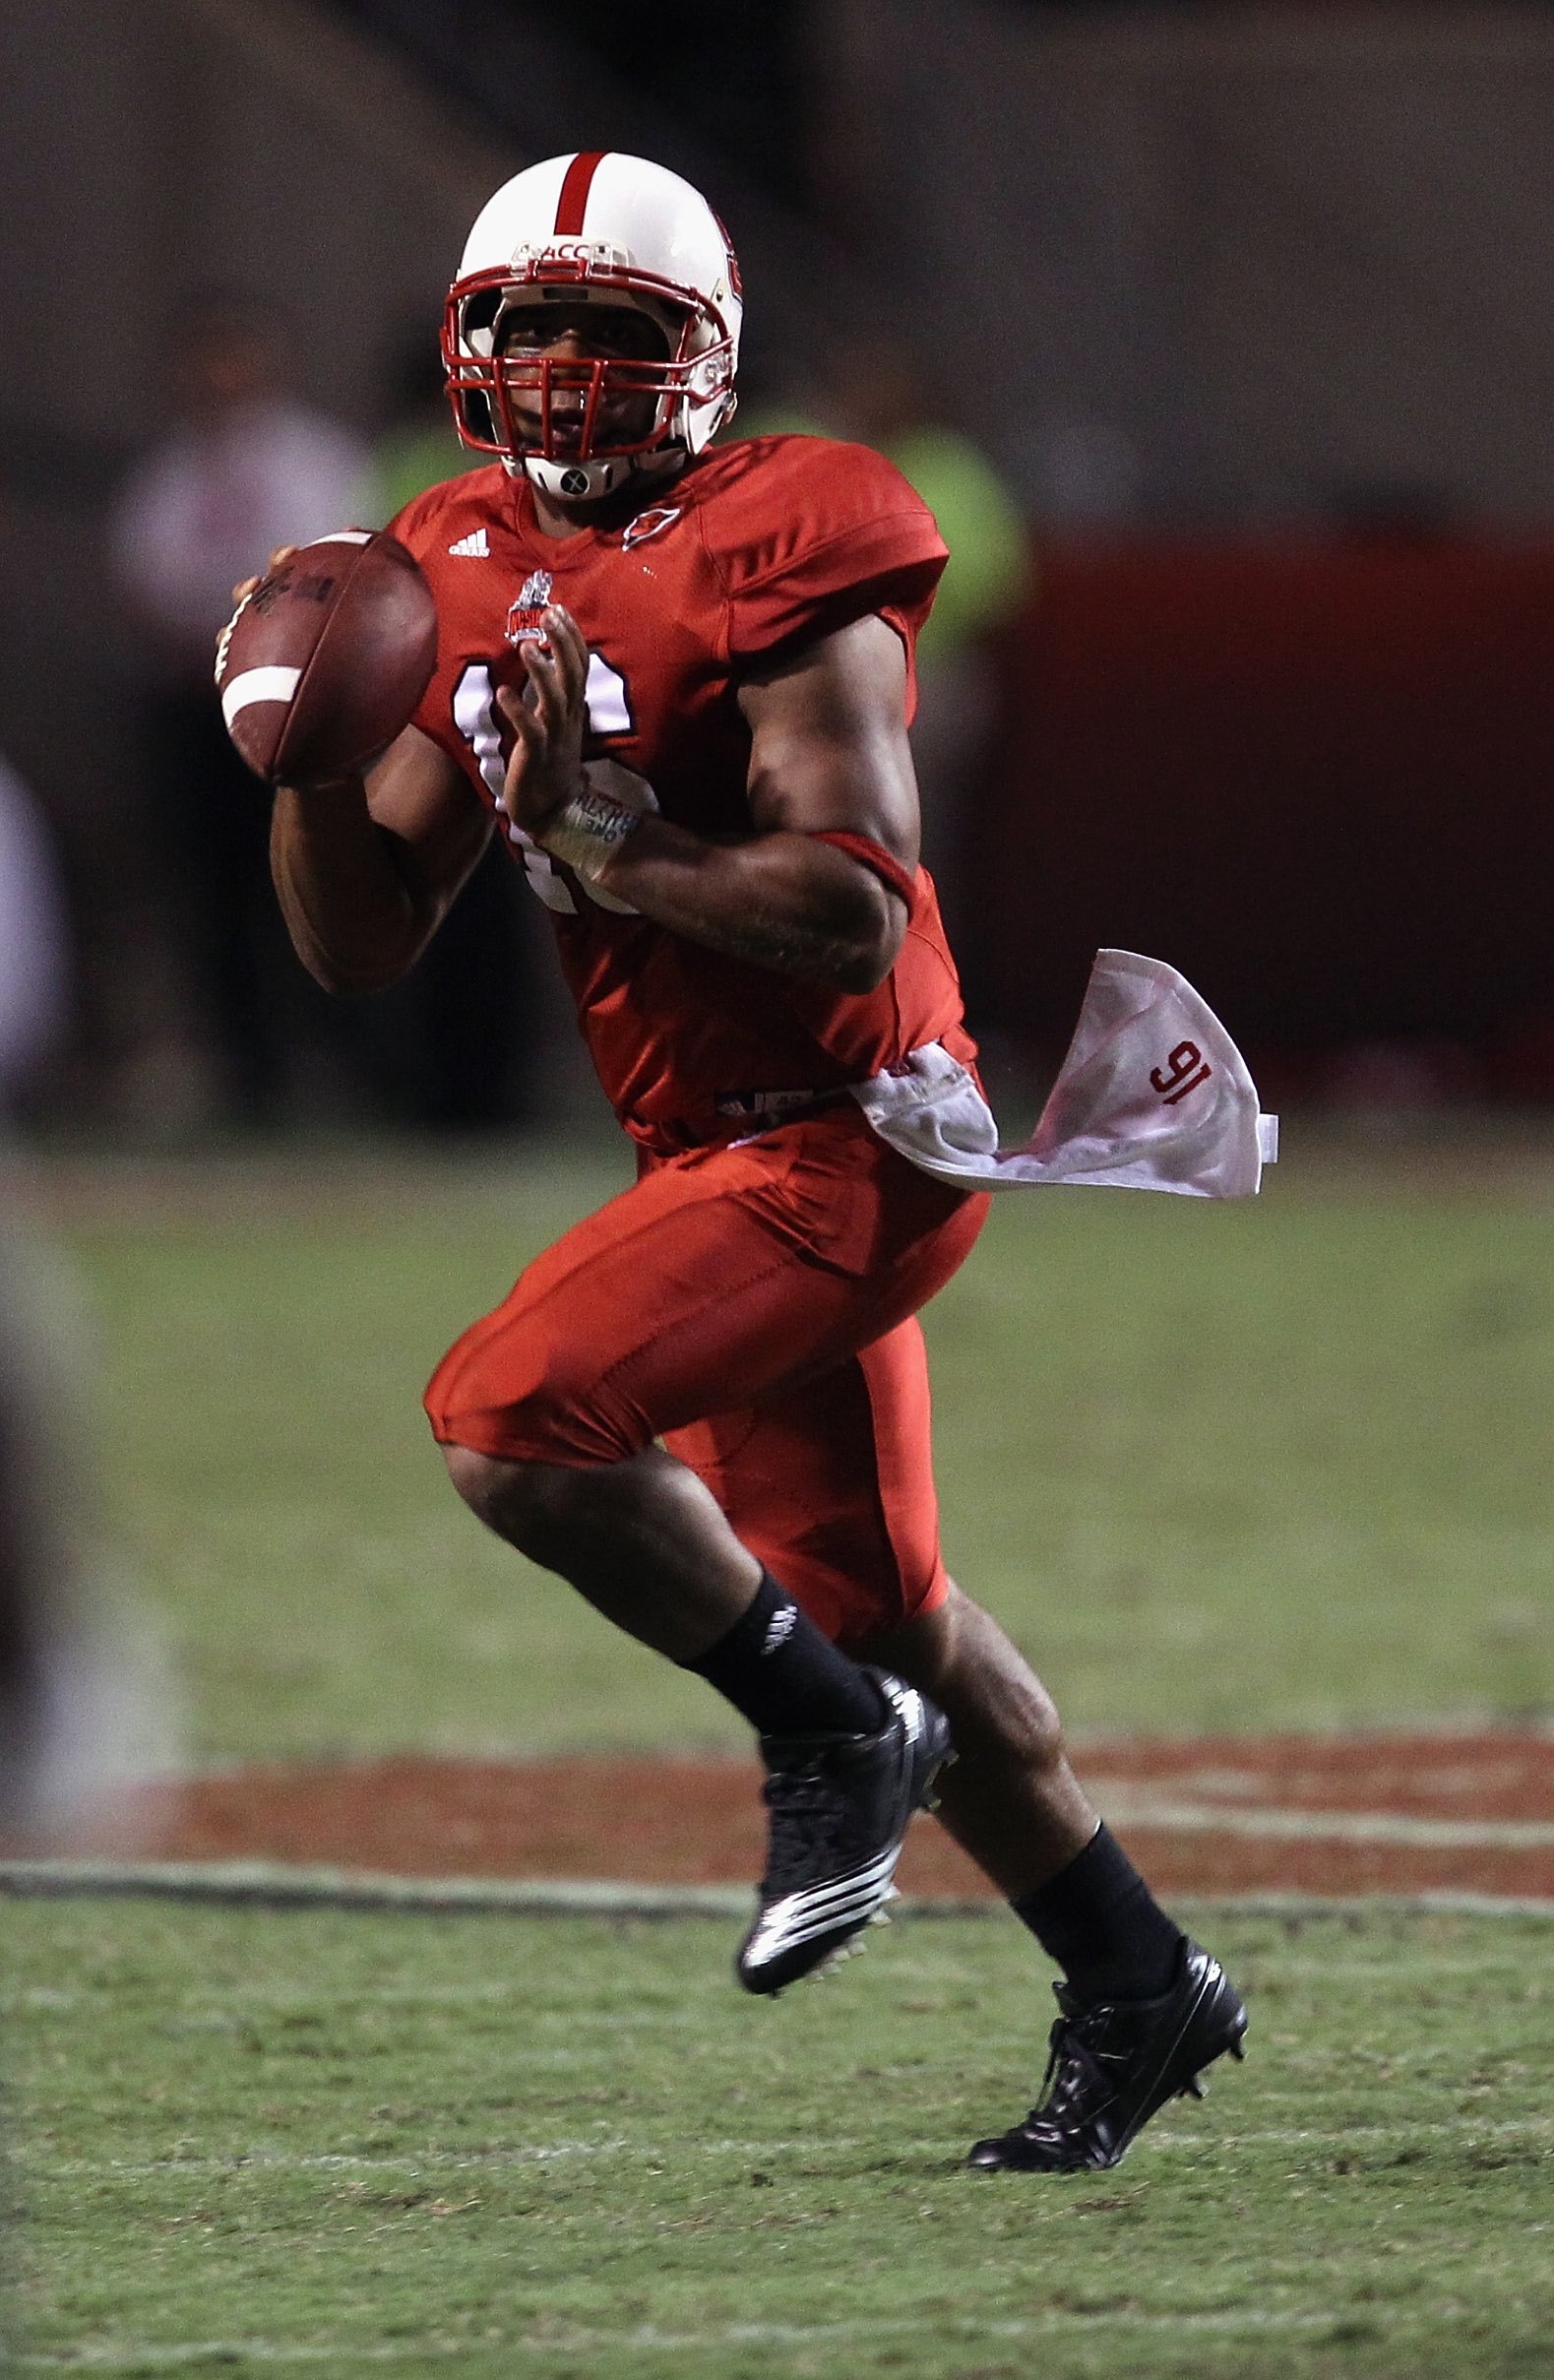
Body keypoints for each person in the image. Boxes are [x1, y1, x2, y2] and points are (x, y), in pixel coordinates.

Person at [252, 151, 1246, 2171]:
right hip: (703, 1148)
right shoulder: (448, 552)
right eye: (522, 328)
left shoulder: (794, 528)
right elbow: (365, 941)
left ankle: (821, 1738)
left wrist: (625, 847)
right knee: (884, 1612)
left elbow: (858, 911)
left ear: (696, 358)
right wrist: (303, 760)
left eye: (605, 331)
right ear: (465, 346)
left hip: (853, 1139)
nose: (557, 375)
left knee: (510, 1419)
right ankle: (1138, 1983)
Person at [111, 295, 375, 1126]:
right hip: (196, 710)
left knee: (310, 883)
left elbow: (345, 571)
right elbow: (142, 577)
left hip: (297, 712)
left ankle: (343, 1069)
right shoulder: (171, 473)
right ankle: (247, 1076)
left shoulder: (315, 461)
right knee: (216, 893)